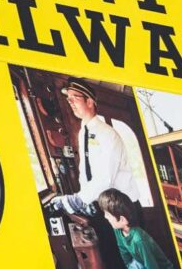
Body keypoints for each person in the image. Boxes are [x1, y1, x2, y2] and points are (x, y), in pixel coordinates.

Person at [50, 78, 144, 216]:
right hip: (103, 204)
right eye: (68, 98)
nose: (70, 102)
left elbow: (106, 177)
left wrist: (79, 200)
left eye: (75, 97)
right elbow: (86, 170)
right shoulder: (84, 132)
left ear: (89, 102)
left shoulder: (107, 134)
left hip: (123, 209)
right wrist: (85, 199)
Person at [98, 187, 176, 269]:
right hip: (140, 263)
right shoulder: (118, 230)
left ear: (122, 220)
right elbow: (123, 251)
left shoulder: (139, 240)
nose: (105, 217)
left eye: (108, 214)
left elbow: (153, 268)